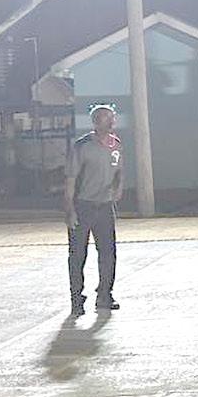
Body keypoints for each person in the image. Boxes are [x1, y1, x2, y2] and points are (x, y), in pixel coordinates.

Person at [65, 104, 123, 315]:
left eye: (113, 117)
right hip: (83, 206)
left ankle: (105, 295)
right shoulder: (83, 146)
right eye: (108, 117)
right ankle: (76, 298)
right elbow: (71, 179)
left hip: (105, 207)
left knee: (108, 253)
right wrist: (69, 210)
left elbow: (118, 170)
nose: (113, 121)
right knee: (77, 254)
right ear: (97, 121)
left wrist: (118, 188)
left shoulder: (116, 145)